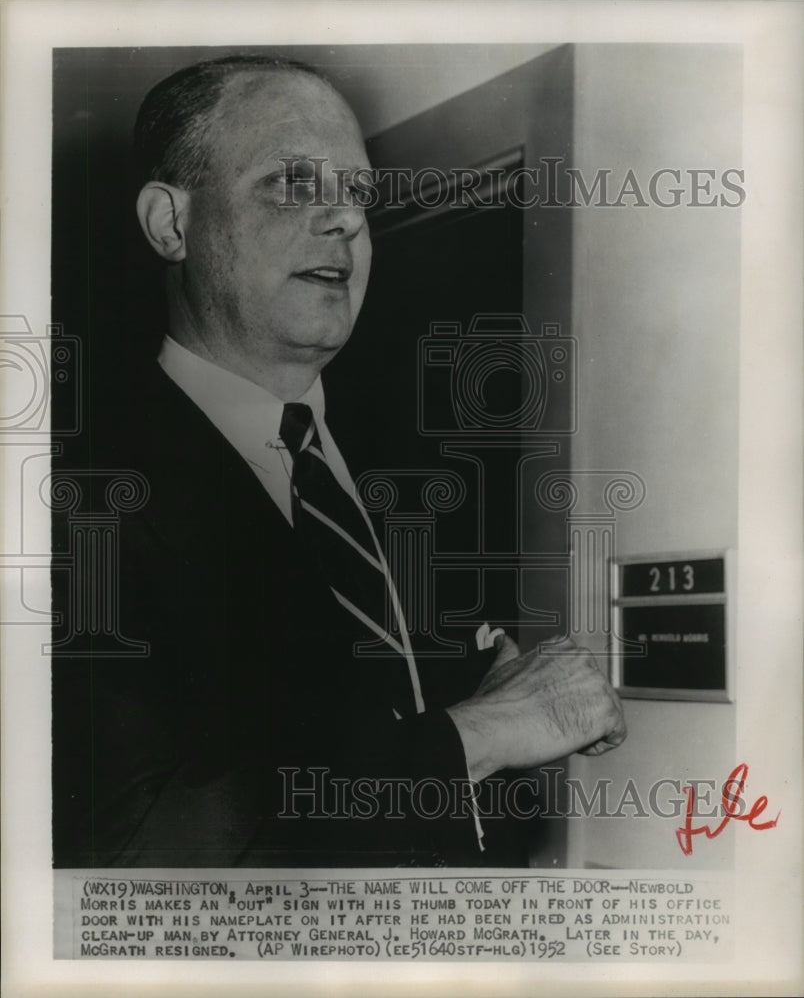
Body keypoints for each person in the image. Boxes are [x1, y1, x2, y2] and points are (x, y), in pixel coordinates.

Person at [51, 55, 626, 869]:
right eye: (292, 183)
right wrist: (484, 731)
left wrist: (509, 710)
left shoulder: (425, 467)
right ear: (170, 223)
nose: (346, 219)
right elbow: (134, 845)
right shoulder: (74, 500)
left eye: (358, 192)